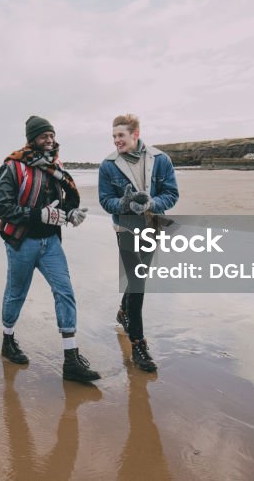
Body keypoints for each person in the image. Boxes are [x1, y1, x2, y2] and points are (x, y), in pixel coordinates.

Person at [0, 115, 98, 382]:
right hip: (22, 243)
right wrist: (37, 215)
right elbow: (1, 206)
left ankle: (71, 360)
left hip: (51, 243)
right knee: (16, 294)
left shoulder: (56, 166)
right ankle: (8, 341)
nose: (49, 140)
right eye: (43, 136)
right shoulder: (14, 166)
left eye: (51, 134)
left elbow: (61, 203)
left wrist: (72, 214)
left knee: (65, 292)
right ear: (32, 140)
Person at [98, 114, 179, 372]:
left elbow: (171, 194)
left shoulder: (161, 160)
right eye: (113, 137)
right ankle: (138, 345)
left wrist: (152, 203)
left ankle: (124, 312)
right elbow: (104, 199)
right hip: (126, 228)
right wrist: (122, 204)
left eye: (120, 135)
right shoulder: (108, 165)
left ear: (135, 133)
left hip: (153, 227)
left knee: (138, 281)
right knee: (137, 284)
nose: (116, 141)